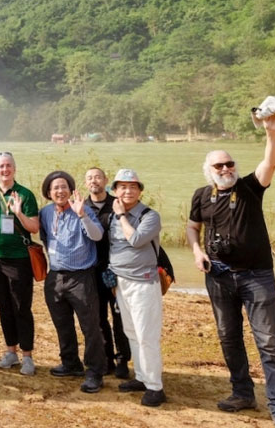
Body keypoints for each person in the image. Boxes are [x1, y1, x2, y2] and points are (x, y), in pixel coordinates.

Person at [185, 114, 275, 428]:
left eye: (229, 163)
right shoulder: (201, 196)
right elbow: (193, 226)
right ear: (209, 171)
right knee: (228, 337)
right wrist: (196, 250)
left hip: (256, 275)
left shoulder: (248, 187)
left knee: (269, 342)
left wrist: (271, 133)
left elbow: (270, 163)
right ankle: (243, 392)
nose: (225, 169)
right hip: (217, 276)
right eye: (218, 166)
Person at [38, 171, 106, 394]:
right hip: (55, 276)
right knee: (62, 324)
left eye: (64, 187)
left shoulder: (82, 209)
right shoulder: (45, 213)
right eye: (55, 188)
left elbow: (97, 236)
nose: (60, 191)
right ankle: (70, 363)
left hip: (81, 276)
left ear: (71, 190)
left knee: (90, 326)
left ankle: (95, 372)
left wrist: (83, 215)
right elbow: (44, 237)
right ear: (49, 193)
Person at [107, 168, 165, 407]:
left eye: (133, 187)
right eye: (122, 187)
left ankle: (155, 387)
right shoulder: (112, 215)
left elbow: (137, 240)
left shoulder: (150, 216)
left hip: (143, 282)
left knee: (146, 335)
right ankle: (141, 377)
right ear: (115, 191)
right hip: (121, 282)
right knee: (131, 332)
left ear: (140, 191)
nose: (127, 191)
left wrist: (121, 216)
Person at [0, 152, 39, 376]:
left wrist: (18, 213)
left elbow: (34, 227)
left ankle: (27, 356)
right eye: (0, 167)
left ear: (14, 169)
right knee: (4, 306)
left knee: (21, 307)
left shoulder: (25, 194)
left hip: (19, 259)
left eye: (8, 166)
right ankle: (10, 352)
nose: (4, 170)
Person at [83, 167, 130, 379]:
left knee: (120, 317)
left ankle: (122, 359)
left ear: (106, 180)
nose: (94, 181)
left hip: (118, 269)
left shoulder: (118, 204)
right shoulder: (82, 206)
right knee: (99, 317)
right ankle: (107, 358)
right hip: (92, 269)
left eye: (98, 177)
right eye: (90, 178)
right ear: (86, 183)